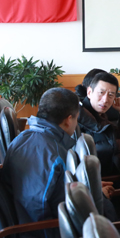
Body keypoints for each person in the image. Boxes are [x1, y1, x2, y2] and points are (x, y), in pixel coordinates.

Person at [1, 88, 79, 233]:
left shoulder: (21, 138)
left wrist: (84, 188)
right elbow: (38, 209)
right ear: (68, 120)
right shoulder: (55, 152)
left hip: (23, 225)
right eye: (76, 119)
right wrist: (90, 199)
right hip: (44, 230)